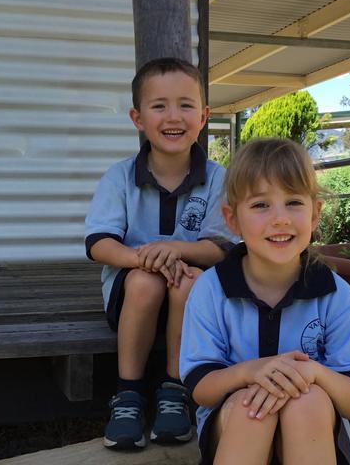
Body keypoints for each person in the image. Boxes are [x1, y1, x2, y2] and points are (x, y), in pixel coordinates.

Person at [180, 139, 350, 465]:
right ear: (232, 219)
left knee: (307, 400)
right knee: (251, 408)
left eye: (294, 202)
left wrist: (311, 373)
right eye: (260, 205)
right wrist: (250, 372)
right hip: (235, 433)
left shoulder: (336, 294)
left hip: (312, 437)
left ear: (315, 214)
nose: (280, 219)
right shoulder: (210, 290)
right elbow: (201, 387)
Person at [85, 57, 236, 450]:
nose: (174, 116)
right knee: (145, 282)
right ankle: (128, 395)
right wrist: (144, 259)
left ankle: (174, 391)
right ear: (138, 118)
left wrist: (174, 249)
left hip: (192, 296)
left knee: (190, 280)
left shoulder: (219, 178)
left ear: (203, 116)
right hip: (134, 291)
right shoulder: (119, 177)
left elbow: (221, 249)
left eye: (186, 105)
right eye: (159, 106)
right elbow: (99, 244)